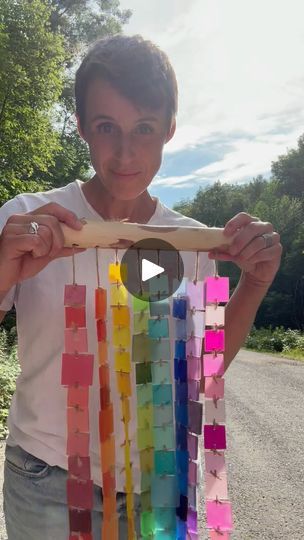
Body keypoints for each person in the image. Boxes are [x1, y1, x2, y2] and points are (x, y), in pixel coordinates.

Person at [0, 34, 282, 539]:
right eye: (107, 127)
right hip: (45, 479)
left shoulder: (192, 243)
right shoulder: (27, 219)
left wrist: (254, 284)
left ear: (169, 130)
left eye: (144, 128)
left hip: (157, 485)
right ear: (83, 127)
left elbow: (205, 369)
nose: (126, 152)